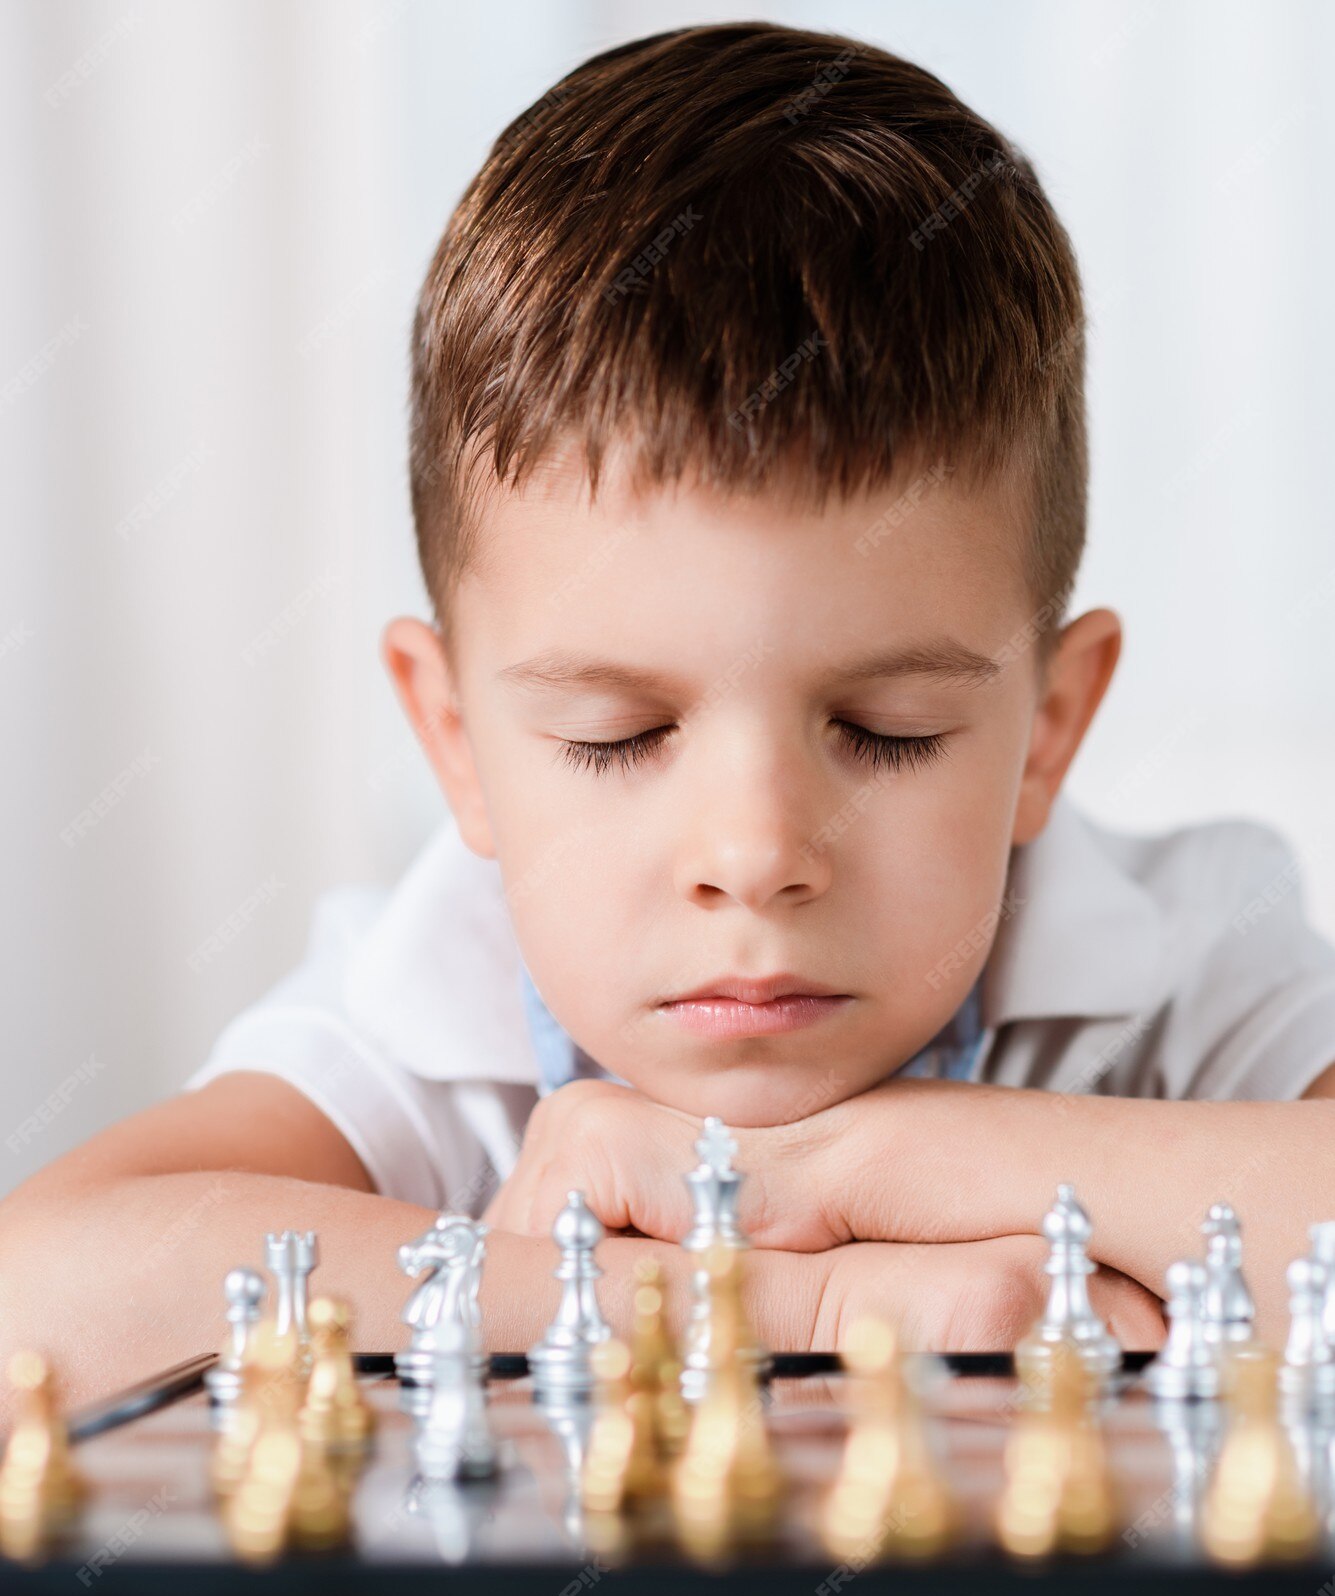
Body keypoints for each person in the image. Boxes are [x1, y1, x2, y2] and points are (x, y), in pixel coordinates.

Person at [5, 23, 1334, 1405]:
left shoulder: (1182, 958)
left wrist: (870, 1163)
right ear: (455, 739)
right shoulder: (429, 999)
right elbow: (30, 1296)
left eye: (888, 728)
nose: (756, 854)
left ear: (1049, 727)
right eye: (616, 736)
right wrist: (781, 1290)